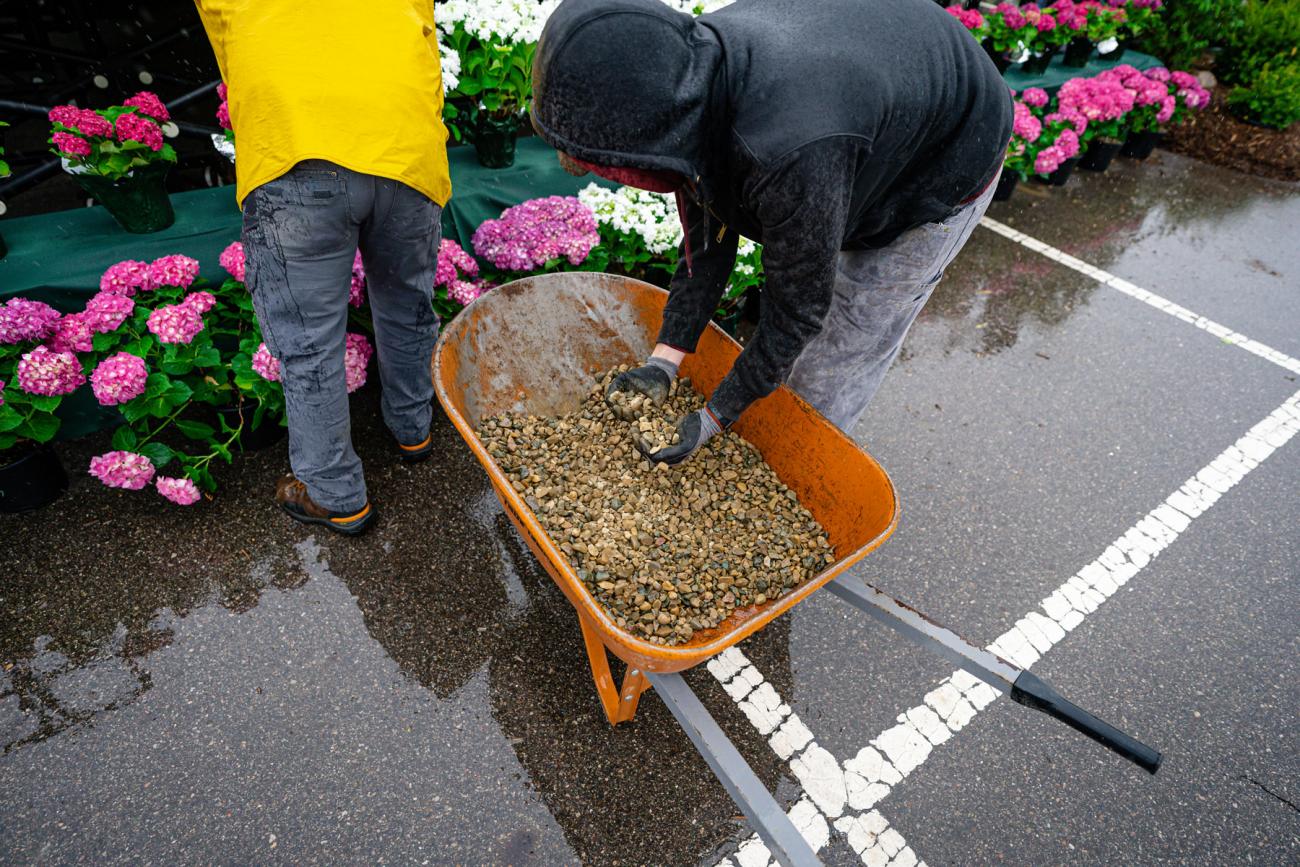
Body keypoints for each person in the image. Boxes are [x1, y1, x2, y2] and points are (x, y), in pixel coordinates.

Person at [531, 0, 1012, 463]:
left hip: (944, 152)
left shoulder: (791, 149)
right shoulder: (685, 79)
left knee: (845, 339)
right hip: (856, 96)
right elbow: (708, 225)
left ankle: (797, 462)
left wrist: (715, 418)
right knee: (810, 256)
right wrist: (665, 360)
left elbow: (800, 308)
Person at [194, 0, 452, 533]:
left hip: (296, 151)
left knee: (308, 344)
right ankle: (412, 427)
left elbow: (233, 58)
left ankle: (336, 493)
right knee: (407, 302)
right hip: (406, 150)